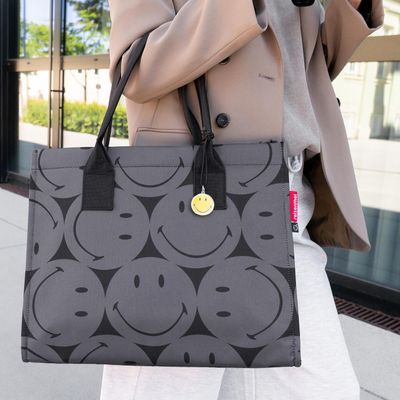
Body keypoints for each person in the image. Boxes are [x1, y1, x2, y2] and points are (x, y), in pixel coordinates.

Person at [100, 0, 384, 399]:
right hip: (189, 204)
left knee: (326, 388)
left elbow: (308, 66)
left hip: (285, 201)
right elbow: (137, 70)